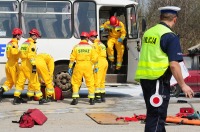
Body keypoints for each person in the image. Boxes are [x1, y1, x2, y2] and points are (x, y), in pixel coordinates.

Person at [135, 6, 194, 132]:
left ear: (160, 17)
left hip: (145, 78)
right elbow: (174, 64)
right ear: (175, 19)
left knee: (155, 114)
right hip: (158, 80)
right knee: (156, 117)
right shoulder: (170, 36)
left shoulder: (149, 33)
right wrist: (183, 85)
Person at [13, 28, 47, 105]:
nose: (37, 38)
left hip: (22, 64)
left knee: (20, 82)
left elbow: (21, 53)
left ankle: (16, 98)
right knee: (34, 81)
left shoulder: (24, 43)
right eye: (37, 36)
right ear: (34, 36)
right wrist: (34, 65)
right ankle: (40, 98)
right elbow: (31, 56)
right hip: (28, 65)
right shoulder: (32, 45)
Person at [68, 32, 98, 105]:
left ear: (81, 38)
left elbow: (72, 58)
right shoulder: (91, 47)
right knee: (90, 82)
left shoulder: (76, 47)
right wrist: (96, 67)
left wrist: (70, 67)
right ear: (87, 38)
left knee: (75, 82)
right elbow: (95, 58)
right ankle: (92, 99)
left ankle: (75, 99)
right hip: (88, 65)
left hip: (78, 65)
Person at [0, 28, 22, 102]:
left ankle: (1, 91)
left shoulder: (9, 43)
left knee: (9, 81)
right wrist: (20, 52)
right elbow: (14, 52)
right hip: (13, 64)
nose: (21, 37)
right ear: (17, 35)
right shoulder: (14, 43)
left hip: (8, 64)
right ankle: (17, 98)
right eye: (20, 35)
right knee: (18, 81)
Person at [89, 30, 108, 103]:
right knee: (102, 81)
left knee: (97, 80)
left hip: (99, 62)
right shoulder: (102, 44)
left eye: (90, 38)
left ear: (93, 37)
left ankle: (98, 97)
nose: (90, 40)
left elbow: (94, 56)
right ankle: (103, 97)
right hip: (105, 62)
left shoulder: (94, 45)